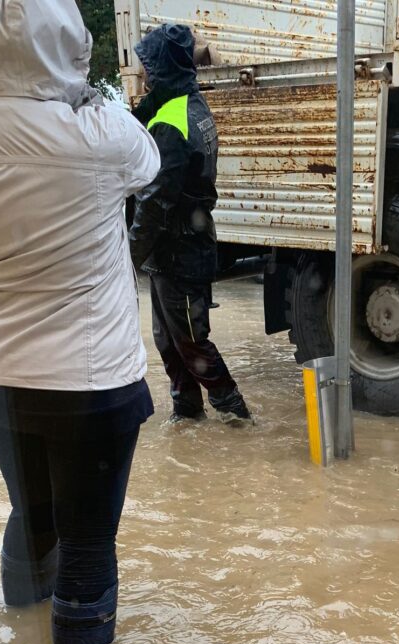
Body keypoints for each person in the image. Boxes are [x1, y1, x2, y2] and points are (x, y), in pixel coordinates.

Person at [0, 0, 161, 644]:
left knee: (32, 517)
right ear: (67, 43)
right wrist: (90, 100)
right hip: (93, 384)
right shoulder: (100, 133)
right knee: (88, 540)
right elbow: (149, 165)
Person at [129, 24, 252, 426]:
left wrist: (128, 258)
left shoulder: (173, 121)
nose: (141, 72)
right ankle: (187, 413)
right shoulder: (184, 104)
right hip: (177, 253)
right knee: (170, 342)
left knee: (192, 343)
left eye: (146, 64)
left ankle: (235, 414)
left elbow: (155, 201)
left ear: (161, 67)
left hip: (179, 254)